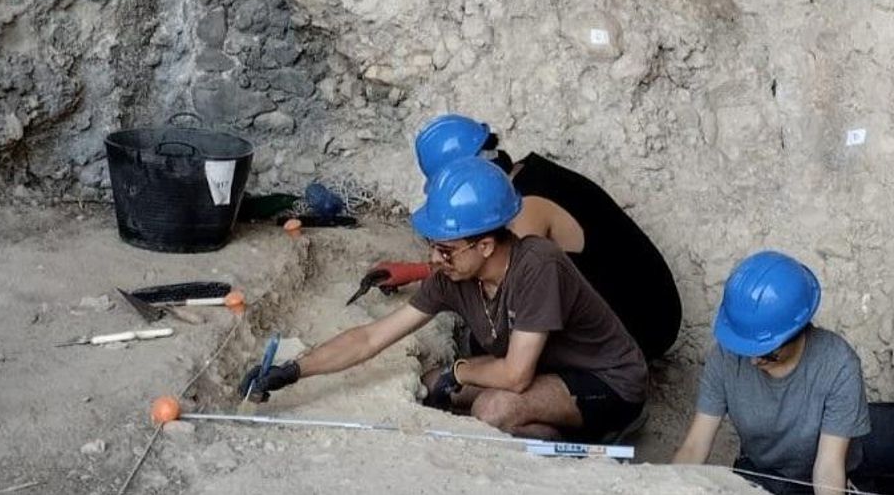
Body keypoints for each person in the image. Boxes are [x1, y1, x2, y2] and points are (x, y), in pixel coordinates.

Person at [243, 157, 649, 442]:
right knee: (430, 385)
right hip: (545, 368)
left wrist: (462, 369)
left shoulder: (538, 265)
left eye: (446, 249)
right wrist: (295, 370)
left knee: (492, 410)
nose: (435, 259)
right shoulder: (454, 274)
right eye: (433, 246)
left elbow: (515, 377)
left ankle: (592, 438)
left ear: (486, 245)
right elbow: (370, 338)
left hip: (607, 381)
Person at [357, 114, 682, 361]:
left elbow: (507, 276)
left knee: (491, 344)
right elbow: (481, 255)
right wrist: (412, 271)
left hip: (644, 320)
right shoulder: (523, 178)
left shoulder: (526, 208)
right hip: (640, 302)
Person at [672, 251, 870, 495]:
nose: (753, 361)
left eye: (766, 352)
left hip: (814, 481)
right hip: (760, 472)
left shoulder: (838, 365)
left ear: (797, 332)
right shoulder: (727, 355)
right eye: (747, 349)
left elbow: (828, 469)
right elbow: (695, 446)